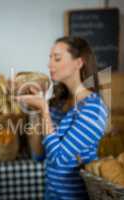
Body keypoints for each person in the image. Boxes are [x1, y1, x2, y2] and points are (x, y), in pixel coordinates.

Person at [16, 36, 108, 199]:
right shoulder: (58, 105)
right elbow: (38, 154)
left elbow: (59, 159)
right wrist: (36, 111)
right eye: (50, 58)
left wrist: (43, 109)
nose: (49, 64)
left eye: (57, 58)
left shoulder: (93, 108)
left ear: (78, 63)